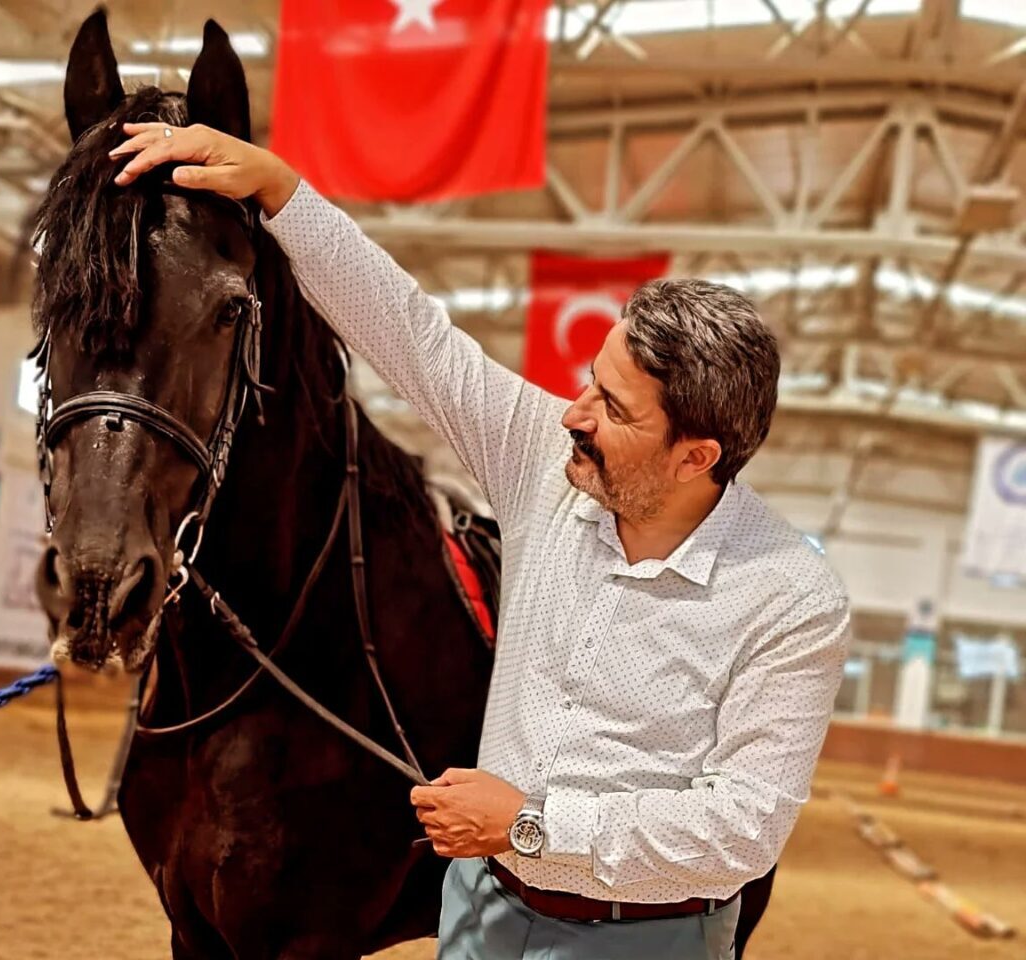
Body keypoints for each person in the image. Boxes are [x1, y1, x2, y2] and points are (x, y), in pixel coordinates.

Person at [109, 123, 850, 960]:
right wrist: (282, 191)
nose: (574, 414)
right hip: (483, 910)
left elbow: (742, 830)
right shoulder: (545, 463)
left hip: (647, 939)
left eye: (613, 409)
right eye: (592, 382)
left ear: (696, 458)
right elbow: (415, 338)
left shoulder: (790, 598)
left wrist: (530, 826)